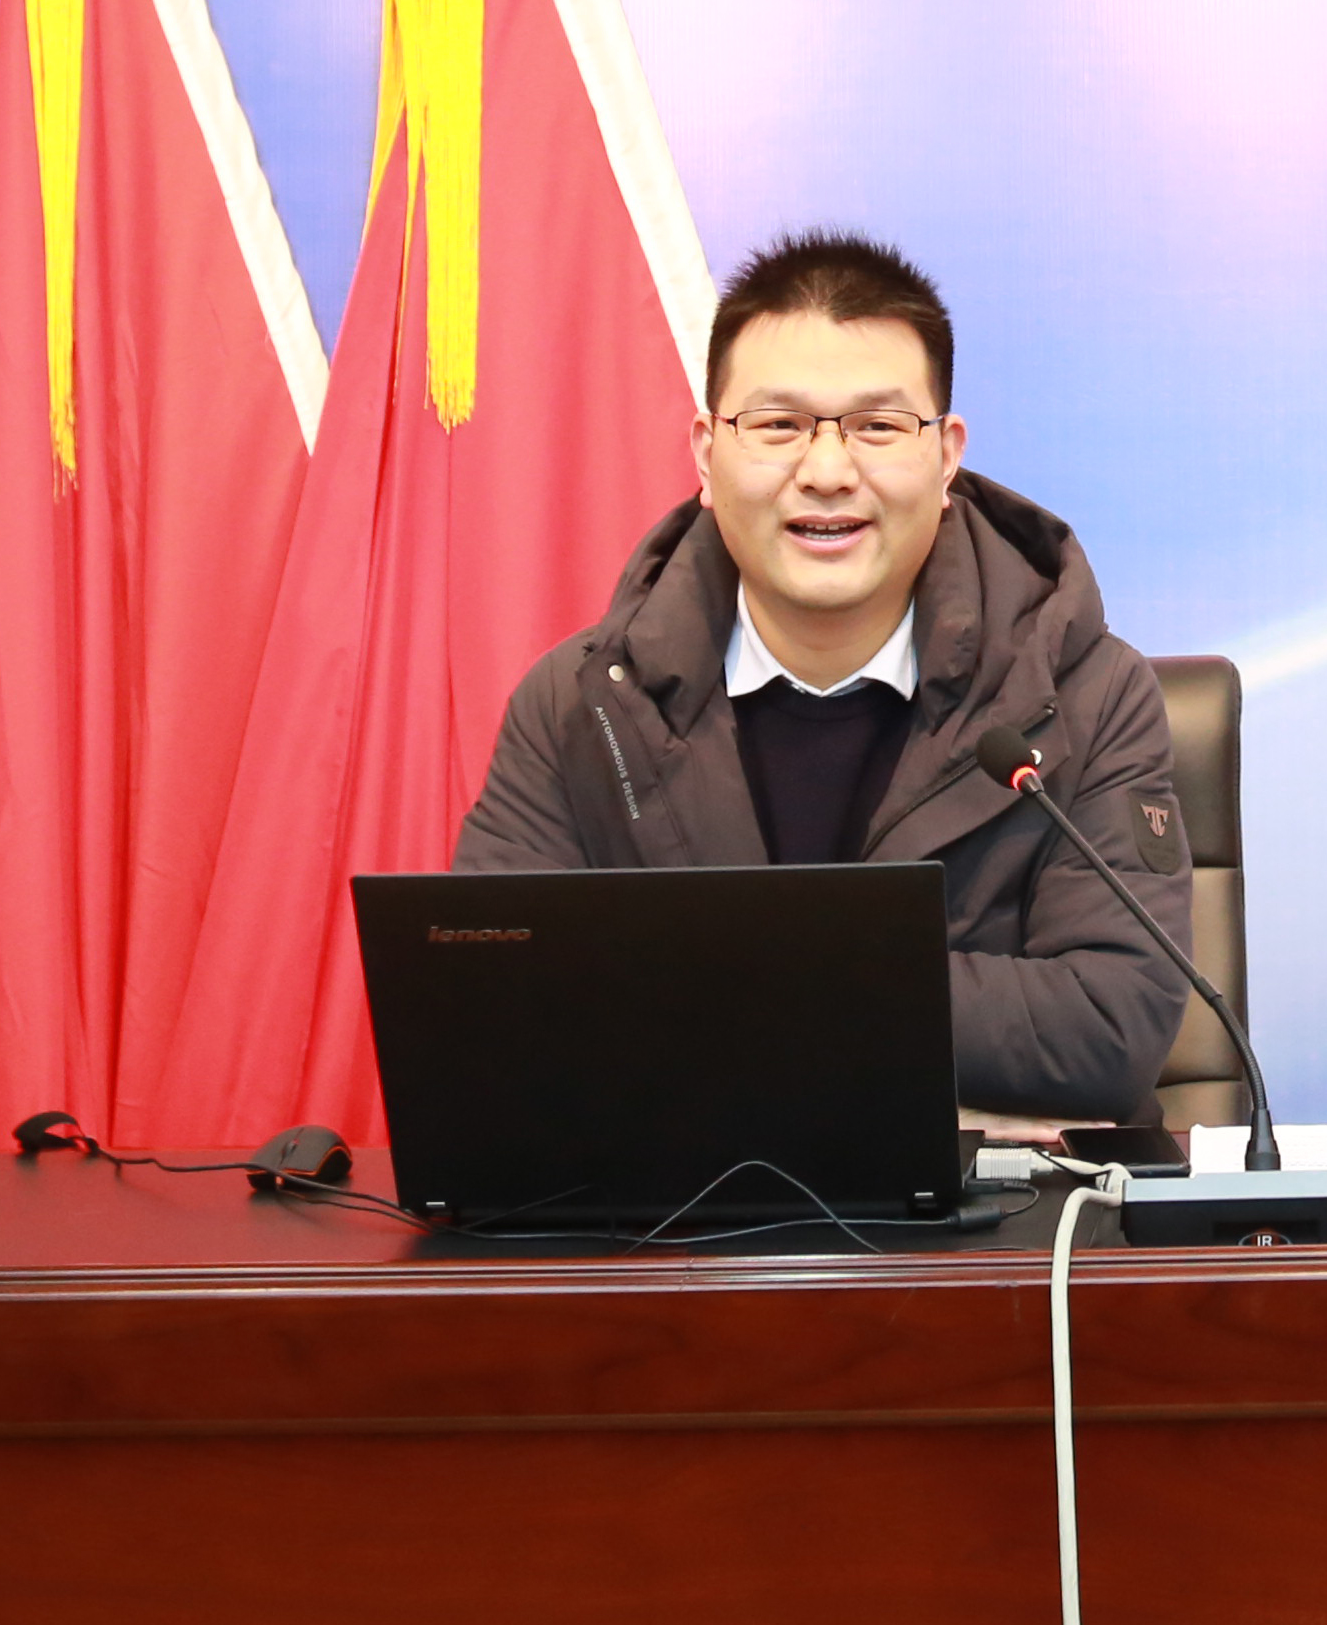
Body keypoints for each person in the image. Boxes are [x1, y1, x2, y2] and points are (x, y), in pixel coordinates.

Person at [453, 229, 1192, 1127]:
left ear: (946, 455)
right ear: (706, 454)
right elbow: (492, 1022)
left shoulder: (1084, 694)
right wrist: (884, 1039)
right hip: (685, 1214)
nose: (829, 473)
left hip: (992, 1216)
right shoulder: (579, 703)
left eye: (878, 427)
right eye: (778, 426)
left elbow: (1109, 1028)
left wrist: (708, 998)